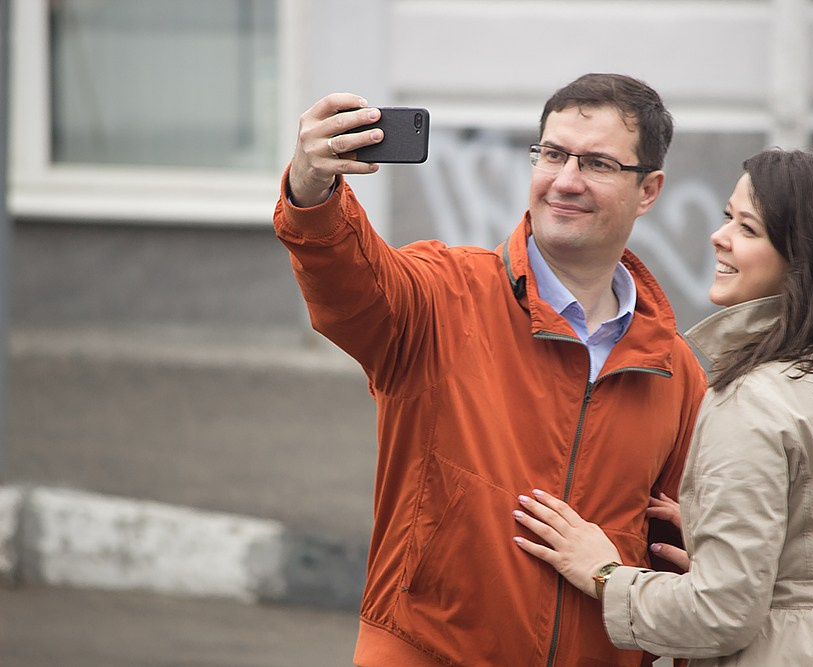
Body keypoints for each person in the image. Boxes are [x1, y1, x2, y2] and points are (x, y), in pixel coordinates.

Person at [273, 73, 707, 666]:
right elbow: (347, 279)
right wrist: (312, 188)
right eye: (553, 154)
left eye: (598, 164)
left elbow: (680, 562)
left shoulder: (676, 371)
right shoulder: (443, 293)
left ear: (649, 190)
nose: (566, 181)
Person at [513, 148, 813, 666]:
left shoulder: (753, 397)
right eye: (728, 218)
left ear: (803, 260)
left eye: (748, 229)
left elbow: (720, 615)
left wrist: (606, 575)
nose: (718, 237)